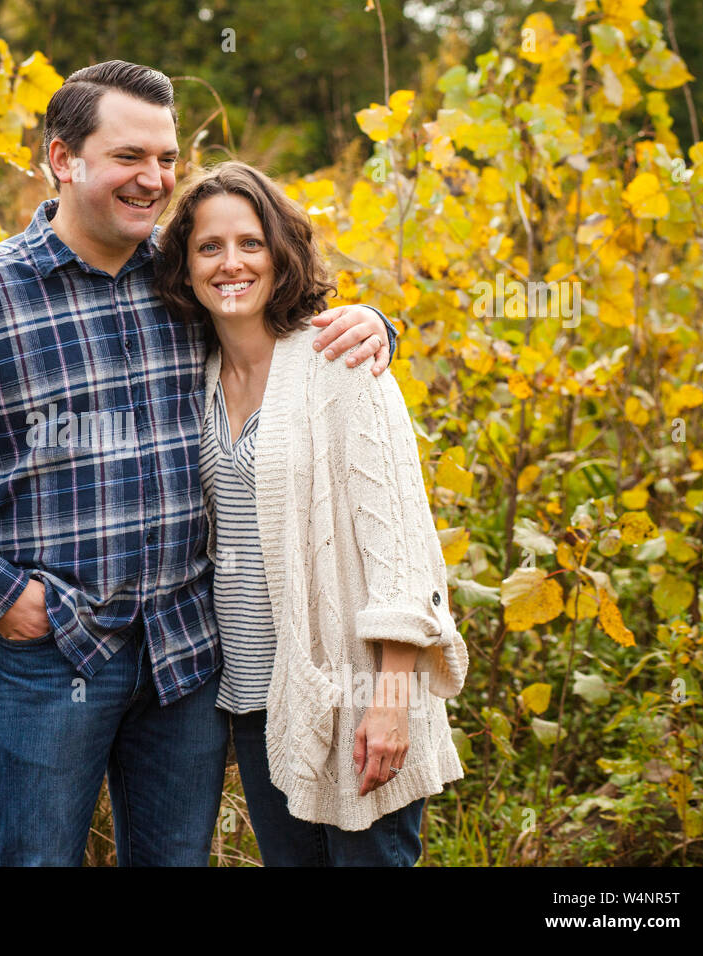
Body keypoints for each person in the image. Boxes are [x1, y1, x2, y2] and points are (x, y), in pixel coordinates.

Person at [0, 61, 398, 867]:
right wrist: (1, 595)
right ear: (63, 158)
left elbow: (286, 331)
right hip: (53, 657)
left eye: (165, 158)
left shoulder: (182, 277)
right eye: (128, 157)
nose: (153, 179)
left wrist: (375, 324)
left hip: (182, 655)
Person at [152, 161, 469, 866]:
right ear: (185, 265)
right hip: (260, 699)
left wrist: (388, 701)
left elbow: (403, 552)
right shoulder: (195, 372)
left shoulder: (339, 360)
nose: (230, 263)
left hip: (359, 694)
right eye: (209, 247)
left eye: (250, 243)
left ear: (280, 253)